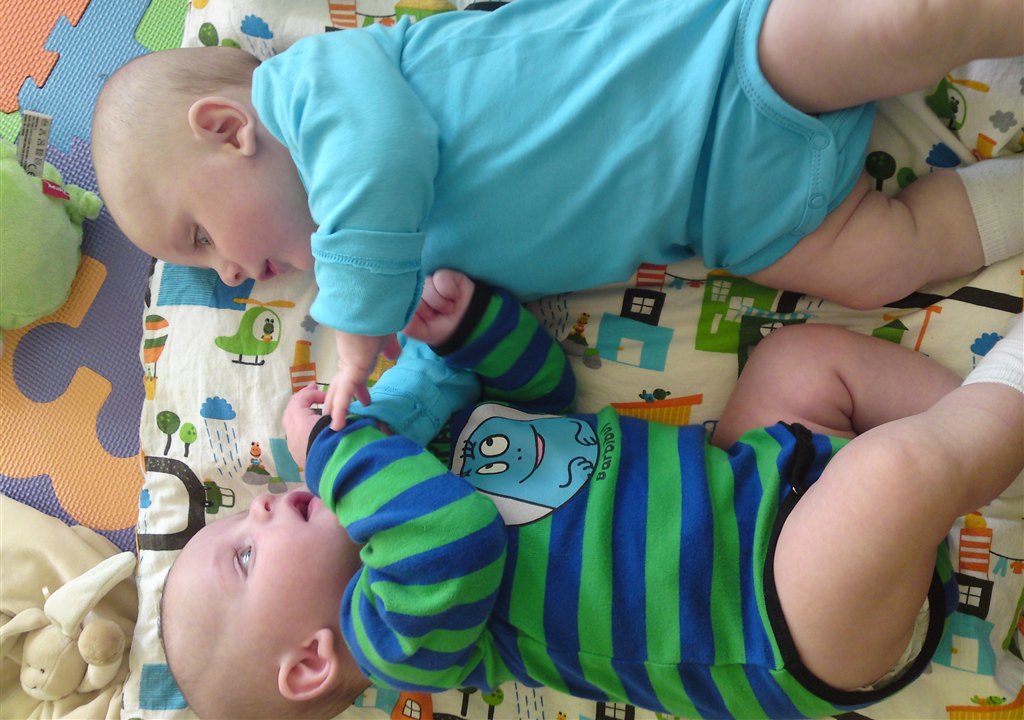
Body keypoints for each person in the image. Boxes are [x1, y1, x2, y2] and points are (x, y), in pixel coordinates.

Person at [91, 0, 1024, 434]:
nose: (229, 275)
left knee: (906, 14)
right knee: (881, 266)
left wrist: (355, 325)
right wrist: (393, 399)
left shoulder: (314, 87)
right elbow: (467, 360)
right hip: (735, 215)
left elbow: (382, 153)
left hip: (715, 53)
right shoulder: (392, 278)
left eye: (198, 237)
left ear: (228, 129)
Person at [159, 268, 1024, 720]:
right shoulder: (397, 640)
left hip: (752, 478)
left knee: (798, 359)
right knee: (891, 477)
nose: (260, 504)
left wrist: (467, 333)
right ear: (312, 661)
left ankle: (990, 430)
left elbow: (545, 398)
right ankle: (1002, 403)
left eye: (242, 514)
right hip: (783, 619)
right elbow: (452, 537)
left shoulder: (424, 459)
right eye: (245, 555)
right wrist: (335, 452)